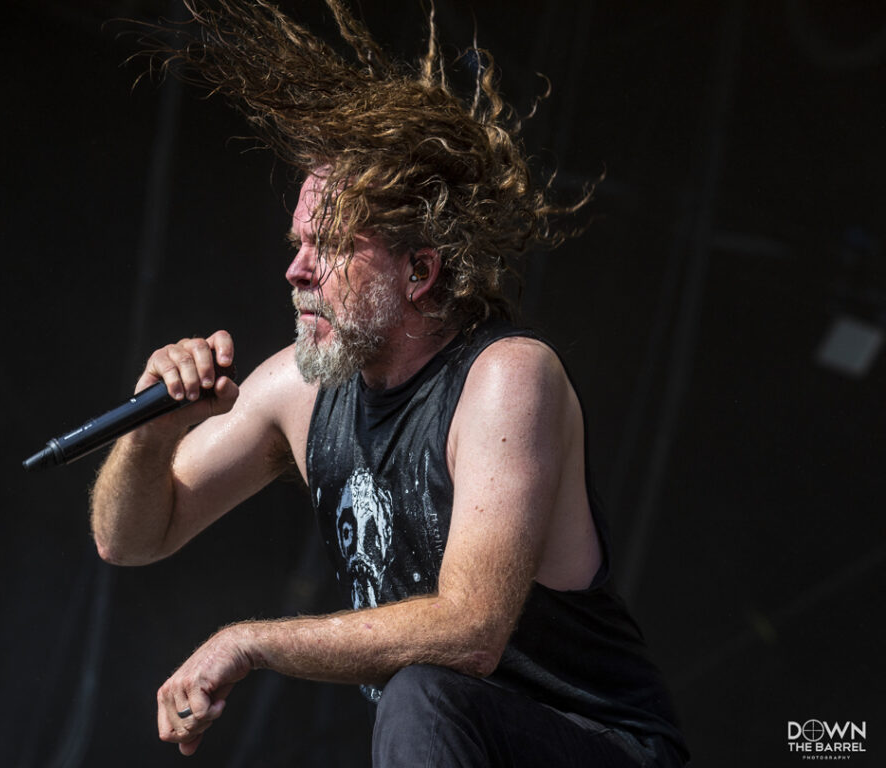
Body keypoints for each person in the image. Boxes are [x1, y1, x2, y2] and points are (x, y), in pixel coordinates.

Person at [91, 1, 690, 765]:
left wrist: (248, 643)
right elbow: (130, 537)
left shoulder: (505, 380)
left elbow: (470, 631)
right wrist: (153, 431)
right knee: (413, 703)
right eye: (297, 244)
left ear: (420, 271)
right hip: (450, 746)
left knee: (419, 692)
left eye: (331, 246)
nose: (296, 270)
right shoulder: (298, 392)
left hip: (596, 748)